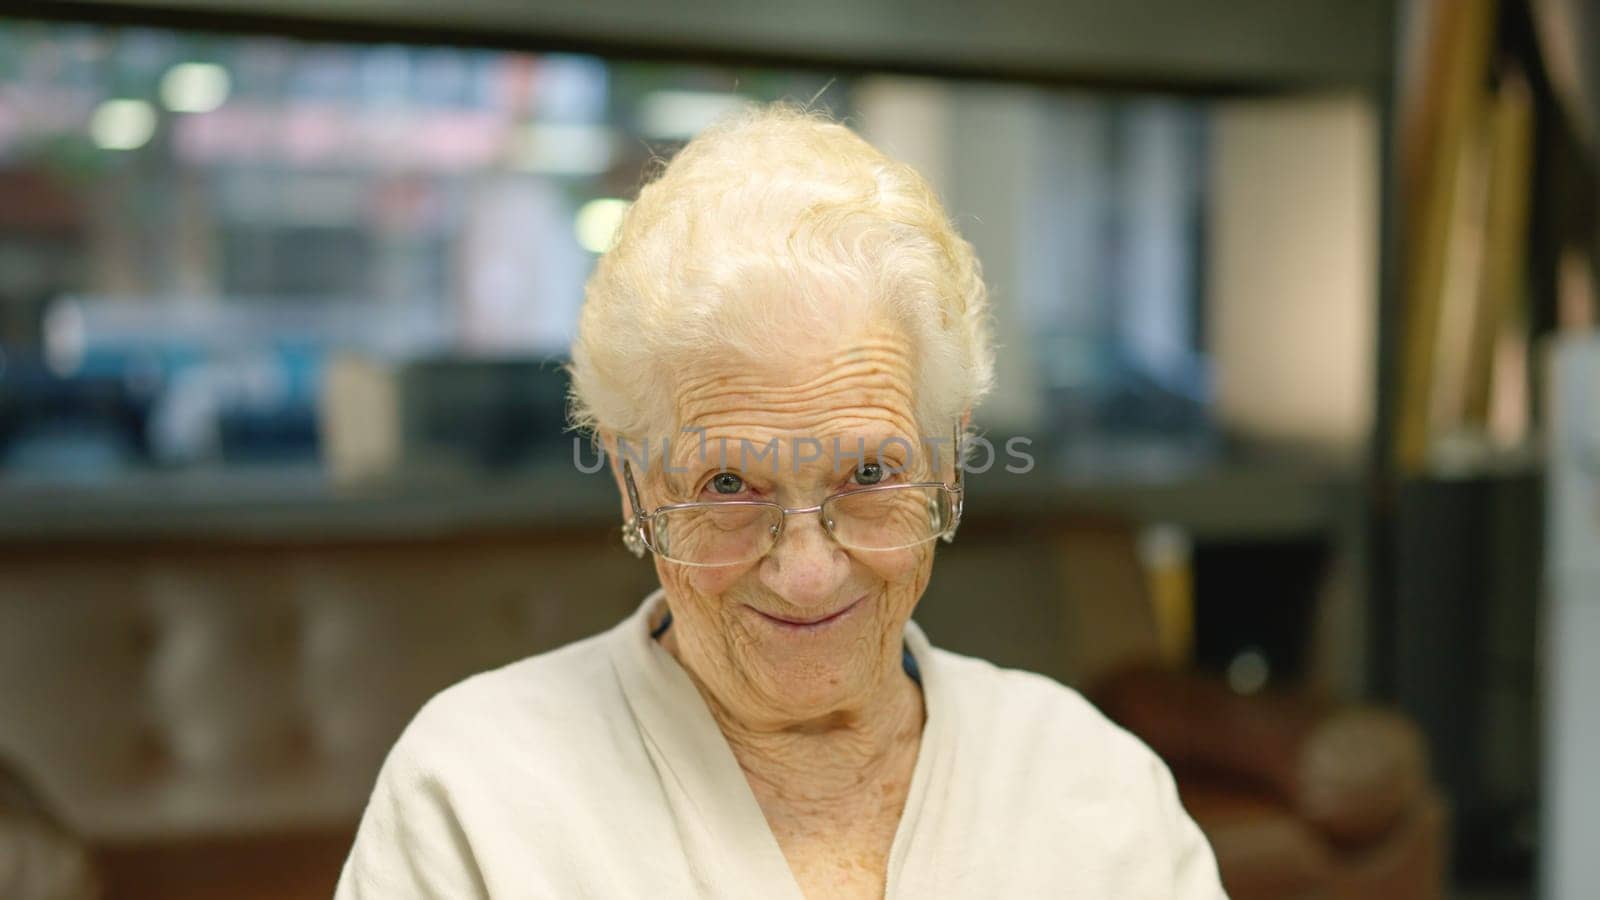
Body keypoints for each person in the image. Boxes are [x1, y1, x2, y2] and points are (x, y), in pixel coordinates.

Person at [336, 101, 1226, 899]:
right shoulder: (472, 794)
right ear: (637, 483)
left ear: (947, 467)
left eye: (870, 477)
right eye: (729, 485)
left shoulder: (1096, 789)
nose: (806, 574)